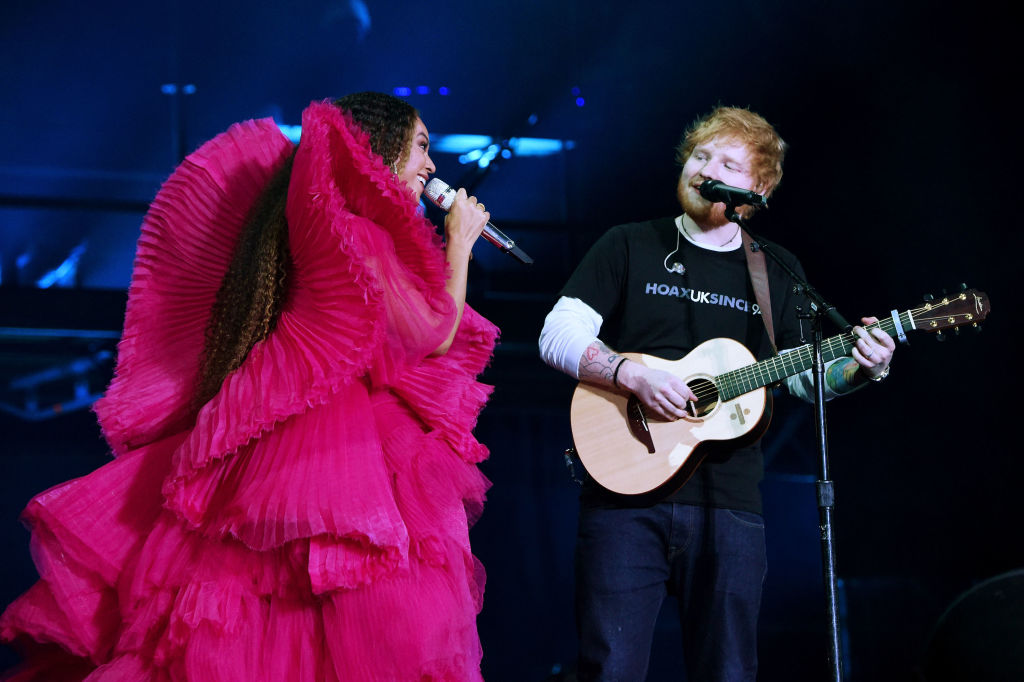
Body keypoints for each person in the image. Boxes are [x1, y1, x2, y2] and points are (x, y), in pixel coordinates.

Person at [0, 92, 498, 681]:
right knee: (344, 608)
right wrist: (459, 246)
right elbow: (434, 332)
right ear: (378, 150)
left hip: (290, 439)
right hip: (334, 447)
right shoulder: (360, 233)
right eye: (420, 146)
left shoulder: (333, 227)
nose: (433, 166)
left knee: (272, 609)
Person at [538, 105, 895, 681]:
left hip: (731, 505)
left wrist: (860, 368)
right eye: (699, 156)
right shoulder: (629, 244)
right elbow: (557, 335)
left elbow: (802, 377)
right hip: (624, 499)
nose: (703, 169)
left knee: (728, 671)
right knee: (609, 669)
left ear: (757, 189)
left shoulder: (776, 269)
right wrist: (632, 374)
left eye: (725, 163)